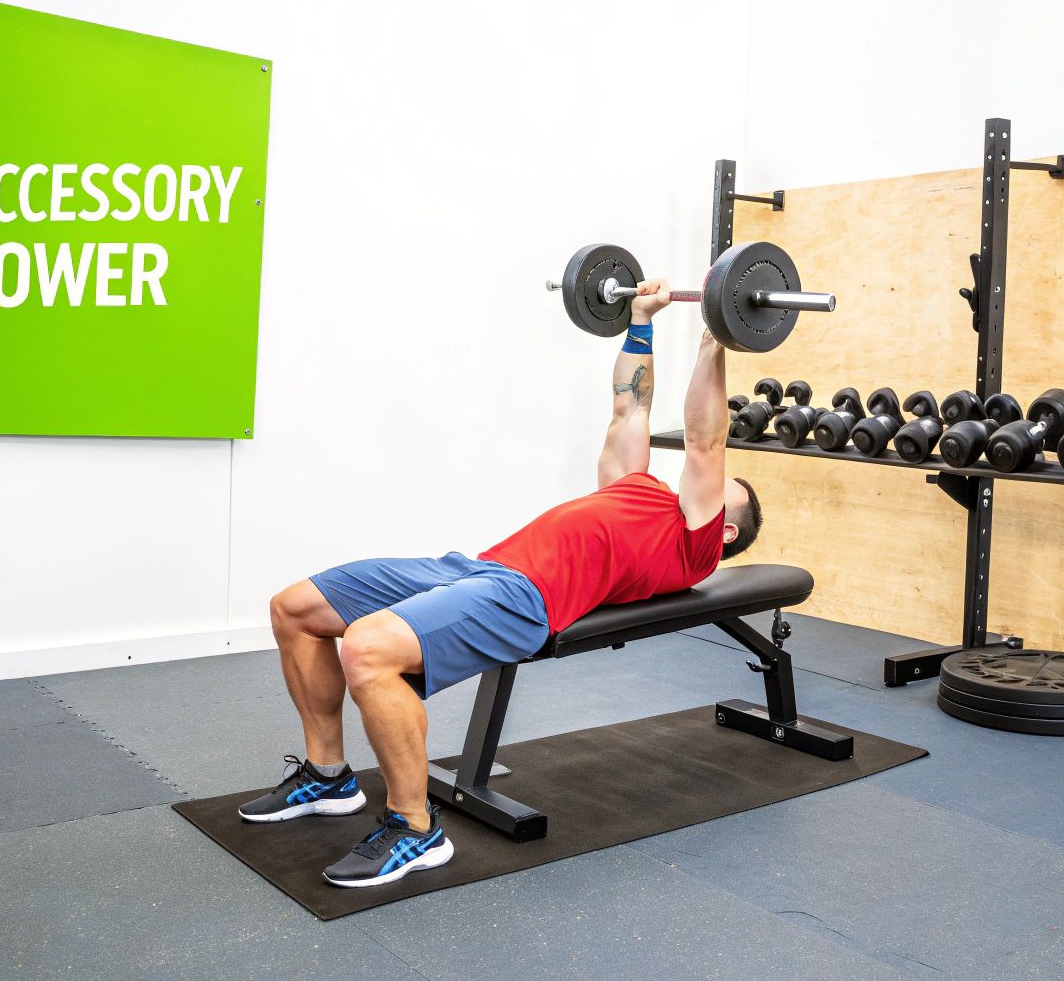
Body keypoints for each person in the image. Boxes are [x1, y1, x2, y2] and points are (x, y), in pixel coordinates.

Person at [240, 280, 763, 888]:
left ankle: (415, 828)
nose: (708, 480)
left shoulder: (693, 545)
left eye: (728, 487)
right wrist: (641, 321)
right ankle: (328, 778)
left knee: (366, 648)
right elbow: (631, 408)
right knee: (296, 607)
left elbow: (705, 440)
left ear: (725, 532)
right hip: (476, 567)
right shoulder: (637, 487)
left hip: (526, 600)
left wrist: (714, 338)